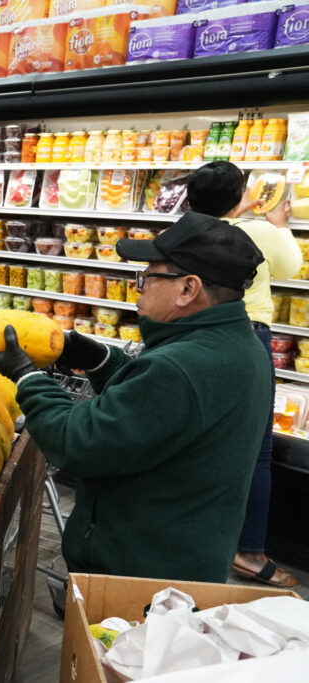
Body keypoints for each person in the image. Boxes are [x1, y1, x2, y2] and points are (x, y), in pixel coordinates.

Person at [0, 213, 271, 583]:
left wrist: (26, 376)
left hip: (139, 574)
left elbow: (77, 441)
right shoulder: (240, 346)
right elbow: (159, 414)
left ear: (188, 289)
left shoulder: (182, 367)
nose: (137, 287)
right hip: (185, 559)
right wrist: (100, 360)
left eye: (148, 277)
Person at [186, 161, 301, 588]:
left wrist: (241, 209)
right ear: (241, 197)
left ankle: (199, 536)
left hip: (195, 337)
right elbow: (290, 266)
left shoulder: (186, 230)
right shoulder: (257, 231)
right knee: (257, 450)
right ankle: (250, 552)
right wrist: (278, 224)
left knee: (200, 439)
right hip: (246, 335)